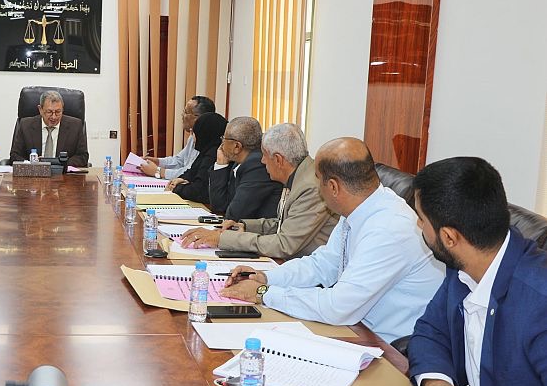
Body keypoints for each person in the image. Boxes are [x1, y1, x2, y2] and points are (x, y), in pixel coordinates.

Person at [221, 137, 444, 342]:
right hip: (355, 328)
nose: (318, 188)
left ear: (334, 187)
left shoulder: (389, 228)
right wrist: (265, 278)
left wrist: (263, 293)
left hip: (387, 348)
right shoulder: (359, 208)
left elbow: (338, 307)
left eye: (319, 180)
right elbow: (323, 264)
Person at [408, 157, 547, 386]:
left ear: (449, 237)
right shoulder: (465, 266)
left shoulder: (539, 303)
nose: (418, 226)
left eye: (421, 219)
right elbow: (429, 333)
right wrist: (438, 385)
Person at [182, 123, 336, 259]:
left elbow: (285, 244)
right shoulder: (300, 175)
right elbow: (284, 224)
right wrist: (245, 226)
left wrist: (222, 239)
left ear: (278, 160)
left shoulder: (311, 187)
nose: (262, 161)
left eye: (264, 155)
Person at [207, 116, 282, 221]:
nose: (222, 144)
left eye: (224, 139)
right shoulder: (240, 162)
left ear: (237, 146)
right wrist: (221, 165)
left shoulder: (257, 165)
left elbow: (235, 215)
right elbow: (220, 205)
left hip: (262, 229)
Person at [138, 95, 215, 179]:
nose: (182, 115)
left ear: (199, 118)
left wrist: (158, 171)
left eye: (186, 112)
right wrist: (157, 162)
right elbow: (179, 161)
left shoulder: (210, 143)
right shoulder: (192, 137)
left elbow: (190, 172)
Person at [8, 90, 89, 166]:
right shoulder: (25, 125)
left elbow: (83, 156)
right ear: (40, 109)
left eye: (58, 112)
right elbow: (15, 155)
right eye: (49, 112)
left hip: (62, 173)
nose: (54, 117)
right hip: (34, 173)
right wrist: (32, 163)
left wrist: (61, 163)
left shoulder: (75, 126)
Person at [166, 112, 227, 205]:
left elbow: (198, 191)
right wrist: (180, 179)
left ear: (203, 133)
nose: (192, 137)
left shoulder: (214, 154)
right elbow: (192, 171)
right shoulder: (206, 151)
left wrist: (176, 188)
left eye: (194, 132)